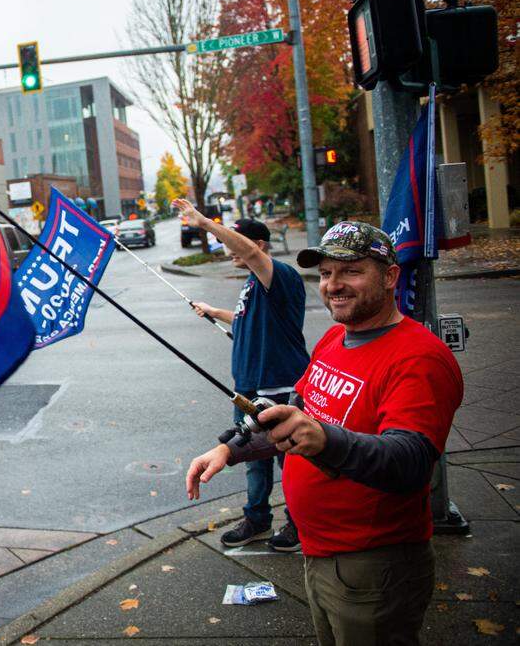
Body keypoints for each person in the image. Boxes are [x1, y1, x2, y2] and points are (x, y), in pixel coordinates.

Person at [186, 221, 463, 646]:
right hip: (320, 555)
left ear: (390, 276)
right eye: (328, 272)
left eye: (351, 271)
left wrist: (326, 440)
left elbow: (410, 462)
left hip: (372, 565)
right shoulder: (335, 339)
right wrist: (230, 448)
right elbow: (295, 416)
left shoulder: (420, 357)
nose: (334, 284)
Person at [172, 199, 308, 552]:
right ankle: (257, 518)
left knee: (290, 463)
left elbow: (245, 249)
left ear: (258, 246)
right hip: (246, 389)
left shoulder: (279, 276)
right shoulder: (253, 284)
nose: (227, 248)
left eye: (234, 240)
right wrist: (213, 311)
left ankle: (299, 524)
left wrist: (204, 222)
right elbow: (246, 320)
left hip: (278, 389)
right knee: (252, 460)